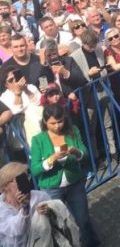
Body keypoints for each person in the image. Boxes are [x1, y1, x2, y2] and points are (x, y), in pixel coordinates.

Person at [29, 104, 100, 247]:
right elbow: (35, 169)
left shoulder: (72, 131)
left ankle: (91, 243)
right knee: (58, 225)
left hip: (74, 183)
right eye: (53, 123)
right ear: (45, 121)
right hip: (51, 188)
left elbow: (85, 154)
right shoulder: (38, 140)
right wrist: (52, 158)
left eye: (60, 121)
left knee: (83, 220)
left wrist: (76, 152)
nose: (57, 126)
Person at [0, 161, 80, 247]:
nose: (24, 182)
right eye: (19, 180)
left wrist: (49, 211)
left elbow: (56, 219)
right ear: (5, 186)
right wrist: (25, 209)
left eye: (26, 177)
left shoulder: (39, 196)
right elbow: (15, 229)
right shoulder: (1, 207)